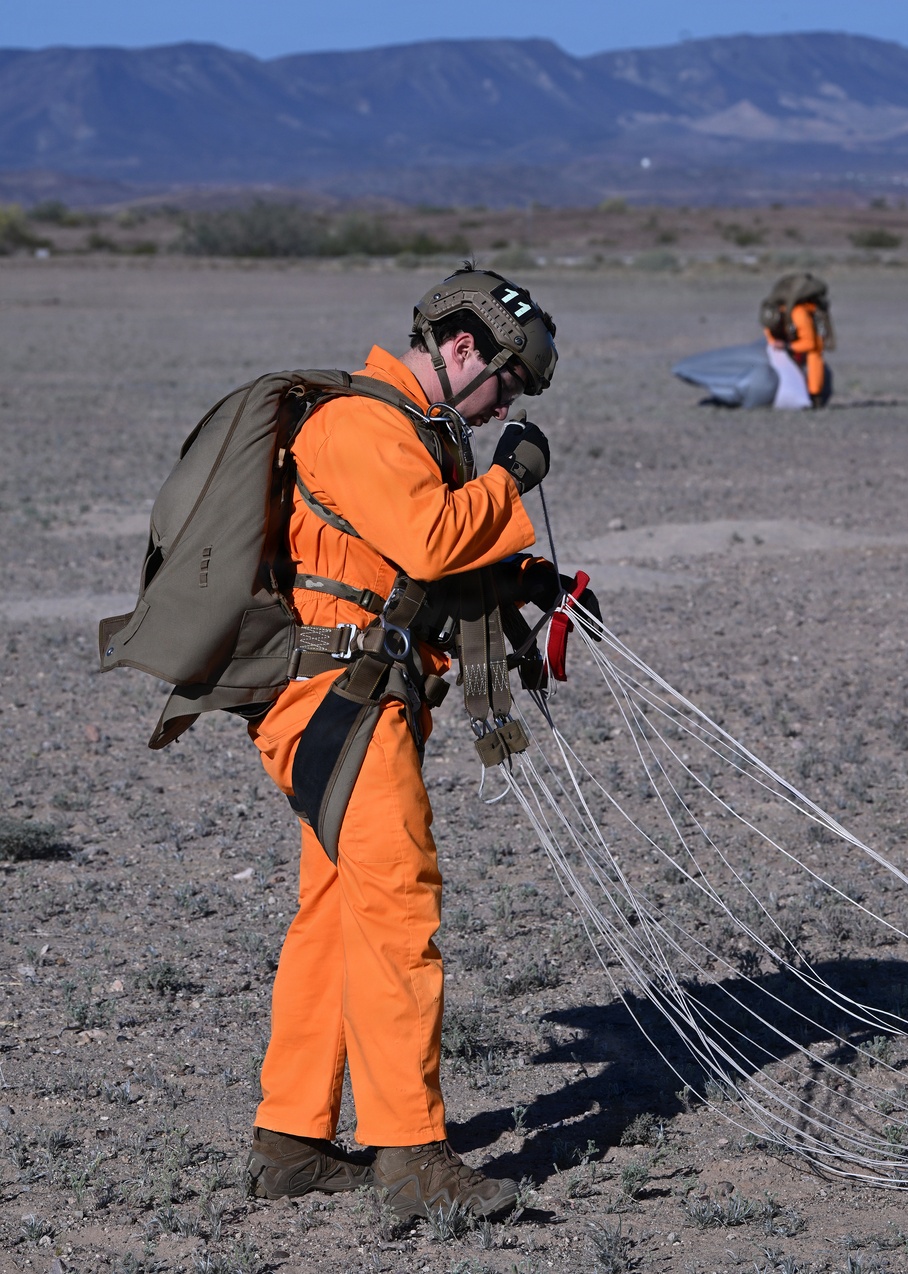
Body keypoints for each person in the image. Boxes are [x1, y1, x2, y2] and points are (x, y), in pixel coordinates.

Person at [244, 266, 580, 1220]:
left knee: (335, 918)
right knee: (398, 913)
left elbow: (410, 569)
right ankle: (411, 1157)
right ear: (463, 347)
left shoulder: (405, 431)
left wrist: (525, 582)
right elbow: (432, 540)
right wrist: (512, 476)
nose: (504, 406)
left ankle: (291, 1139)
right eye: (506, 383)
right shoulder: (361, 425)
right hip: (341, 703)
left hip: (360, 697)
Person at [760, 272, 835, 408]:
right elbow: (771, 339)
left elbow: (810, 343)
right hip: (791, 341)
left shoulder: (799, 315)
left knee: (814, 356)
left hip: (808, 342)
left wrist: (787, 346)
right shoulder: (769, 321)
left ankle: (815, 396)